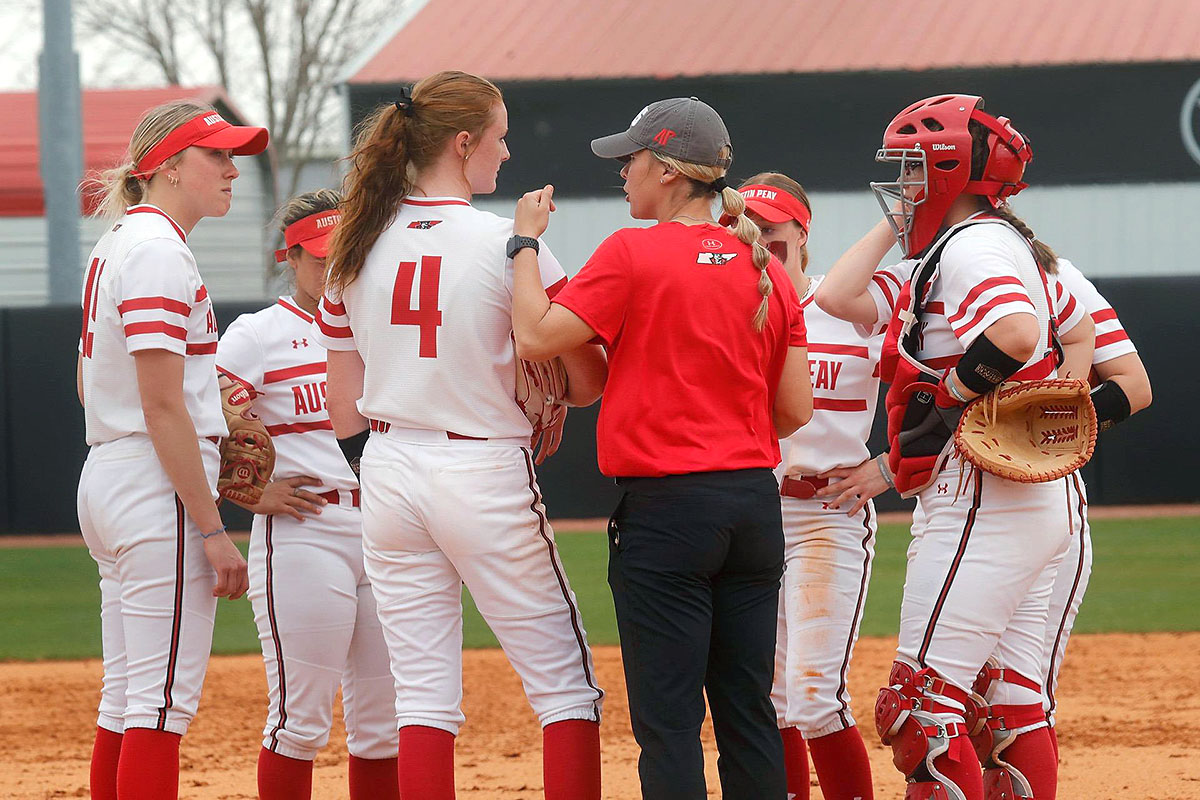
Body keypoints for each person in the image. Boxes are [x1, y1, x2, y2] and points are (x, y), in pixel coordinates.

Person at [313, 70, 608, 800]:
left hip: (385, 467)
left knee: (421, 699)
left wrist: (381, 463)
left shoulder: (354, 242)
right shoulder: (507, 242)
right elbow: (588, 378)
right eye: (500, 138)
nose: (506, 154)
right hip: (480, 466)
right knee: (567, 689)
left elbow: (341, 398)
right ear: (464, 141)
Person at [510, 97, 813, 800]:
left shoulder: (632, 252)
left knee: (670, 724)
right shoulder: (762, 261)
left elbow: (534, 337)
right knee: (747, 714)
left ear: (669, 171)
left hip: (669, 511)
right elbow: (794, 411)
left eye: (632, 158)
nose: (624, 171)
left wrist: (524, 244)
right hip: (750, 506)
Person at [816, 94, 1095, 800]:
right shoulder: (976, 243)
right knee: (1002, 703)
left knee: (921, 710)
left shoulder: (973, 245)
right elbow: (839, 297)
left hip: (982, 495)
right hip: (1010, 496)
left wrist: (946, 403)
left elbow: (1016, 333)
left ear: (950, 168)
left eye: (913, 165)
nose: (903, 181)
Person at [76, 100, 266, 800]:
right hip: (156, 487)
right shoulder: (159, 252)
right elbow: (160, 405)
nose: (232, 169)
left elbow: (86, 380)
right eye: (217, 155)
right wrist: (213, 529)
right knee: (158, 706)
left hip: (111, 474)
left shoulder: (119, 243)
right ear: (167, 166)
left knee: (127, 697)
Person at [215, 190, 400, 800]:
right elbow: (205, 412)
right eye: (319, 255)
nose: (334, 267)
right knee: (300, 720)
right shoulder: (259, 334)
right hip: (307, 529)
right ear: (288, 256)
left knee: (385, 726)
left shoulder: (383, 324)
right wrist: (248, 490)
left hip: (387, 528)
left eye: (345, 252)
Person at [729, 173, 878, 800]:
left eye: (771, 232)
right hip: (755, 514)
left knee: (815, 696)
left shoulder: (846, 309)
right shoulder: (727, 313)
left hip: (827, 512)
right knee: (773, 696)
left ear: (802, 236)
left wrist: (891, 464)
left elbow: (934, 395)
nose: (758, 243)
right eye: (744, 232)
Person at [1040, 259, 1152, 756]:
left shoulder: (1056, 275)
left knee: (1016, 698)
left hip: (1042, 498)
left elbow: (1134, 385)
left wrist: (1052, 426)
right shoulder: (919, 276)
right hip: (945, 502)